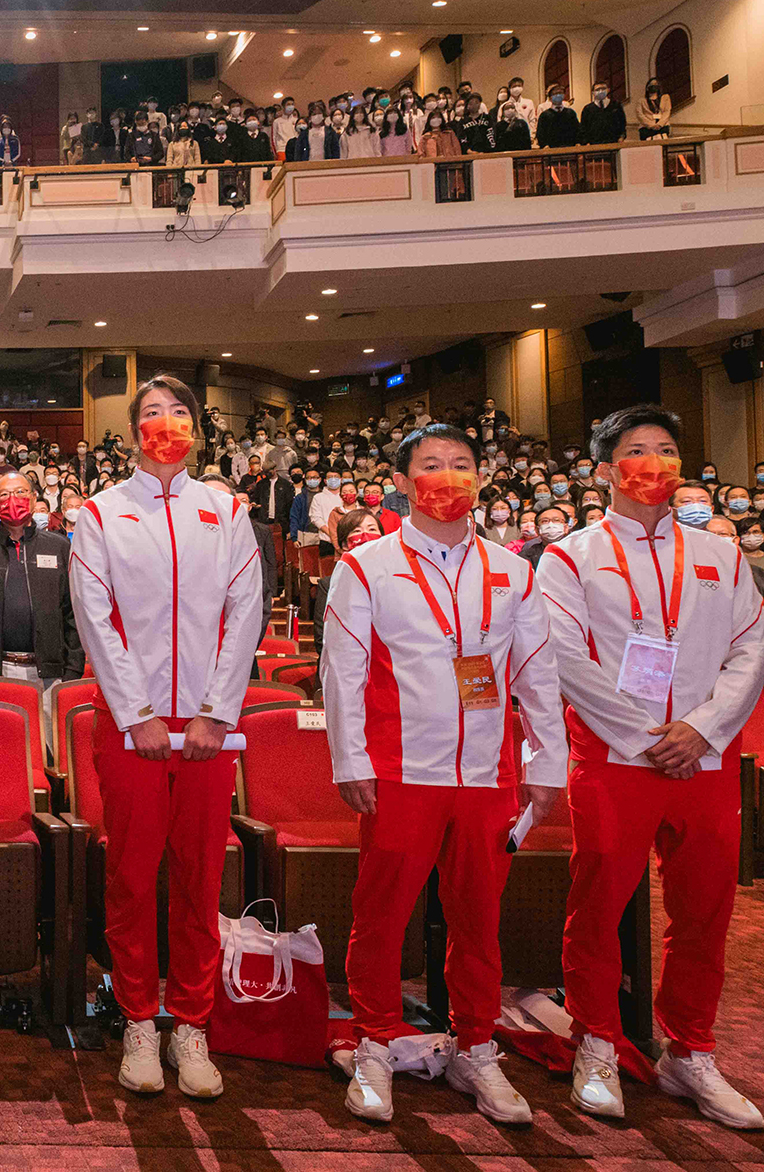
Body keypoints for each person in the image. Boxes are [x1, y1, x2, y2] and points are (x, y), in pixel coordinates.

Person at [534, 404, 764, 1130]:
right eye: (637, 451)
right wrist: (644, 736)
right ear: (606, 470)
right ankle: (598, 1040)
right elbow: (566, 656)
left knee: (705, 910)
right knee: (598, 905)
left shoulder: (720, 554)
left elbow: (752, 645)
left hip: (703, 758)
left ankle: (689, 1048)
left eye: (667, 451)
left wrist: (699, 729)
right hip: (614, 757)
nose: (655, 464)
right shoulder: (572, 554)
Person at [321, 424, 565, 1125]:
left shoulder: (513, 570)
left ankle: (476, 1045)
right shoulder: (367, 566)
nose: (449, 477)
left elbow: (536, 672)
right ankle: (373, 1041)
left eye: (462, 465)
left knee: (479, 922)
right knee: (382, 915)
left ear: (482, 479)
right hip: (401, 770)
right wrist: (352, 758)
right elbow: (342, 670)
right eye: (432, 465)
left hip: (487, 775)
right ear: (402, 481)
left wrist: (545, 762)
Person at [67, 374, 262, 1098]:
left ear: (197, 428)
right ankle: (139, 1019)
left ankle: (192, 1021)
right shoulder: (101, 513)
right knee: (130, 876)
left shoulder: (228, 507)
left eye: (178, 412)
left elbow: (244, 613)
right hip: (133, 725)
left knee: (200, 877)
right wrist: (137, 712)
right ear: (132, 430)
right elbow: (96, 616)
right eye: (151, 413)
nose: (166, 422)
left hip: (210, 728)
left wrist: (216, 711)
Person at [0, 471, 81, 687]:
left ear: (33, 497)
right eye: (3, 495)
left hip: (50, 673)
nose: (12, 500)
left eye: (20, 492)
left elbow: (74, 612)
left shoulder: (59, 547)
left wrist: (71, 670)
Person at [580, 82, 626, 146]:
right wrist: (586, 142)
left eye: (603, 88)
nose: (600, 91)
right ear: (593, 92)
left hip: (614, 143)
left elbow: (622, 123)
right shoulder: (588, 109)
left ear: (608, 90)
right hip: (594, 145)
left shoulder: (616, 105)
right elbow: (583, 128)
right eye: (597, 90)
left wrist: (621, 137)